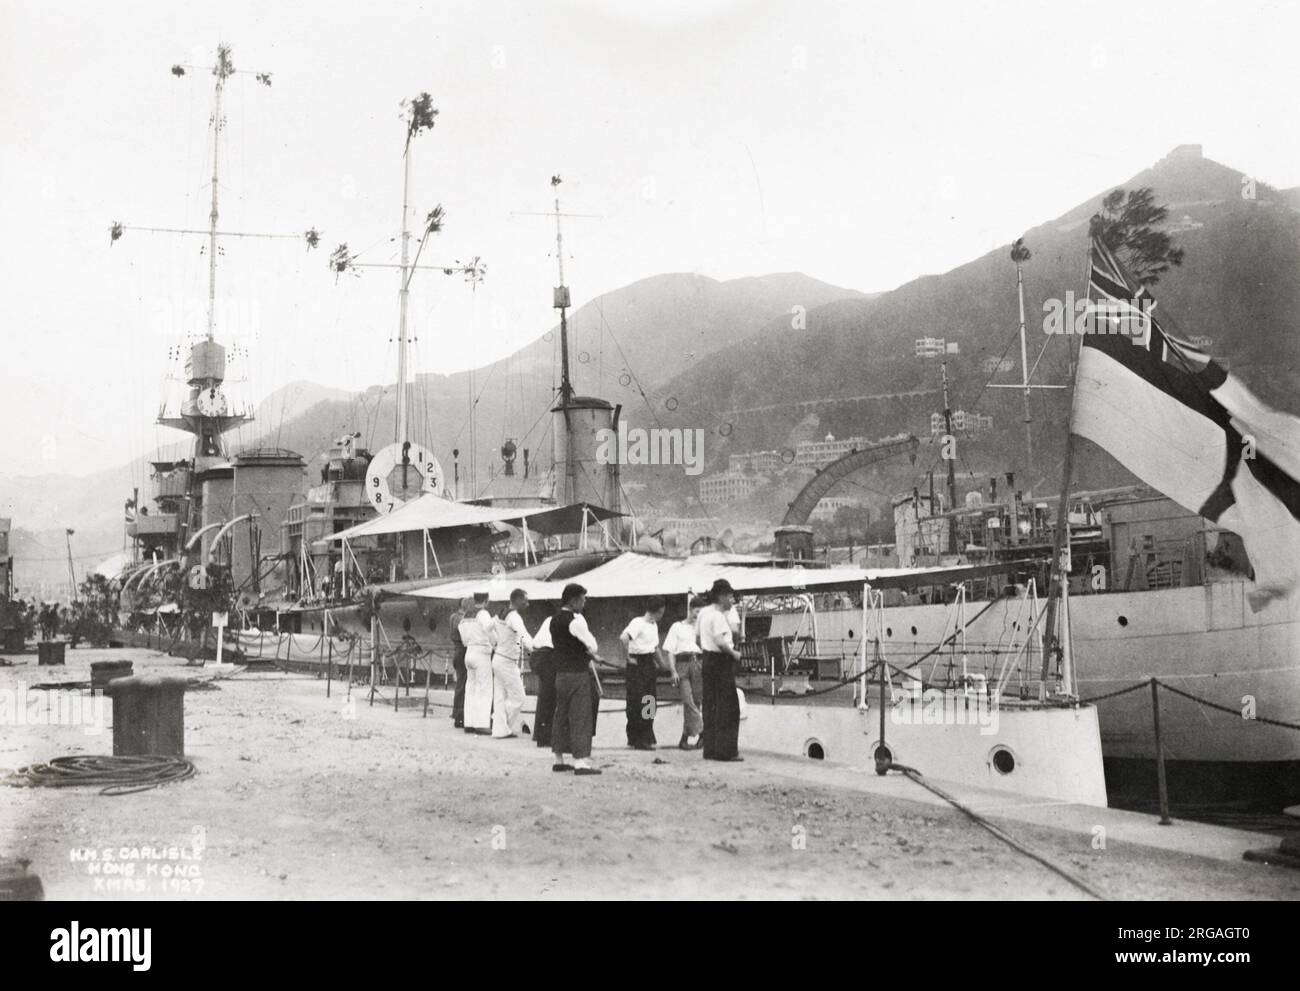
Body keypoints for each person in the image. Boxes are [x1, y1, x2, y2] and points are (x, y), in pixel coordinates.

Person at [550, 583, 602, 776]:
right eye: (582, 599)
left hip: (561, 674)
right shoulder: (576, 621)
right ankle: (581, 762)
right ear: (573, 600)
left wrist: (586, 652)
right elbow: (593, 645)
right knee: (581, 716)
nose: (584, 602)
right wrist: (590, 652)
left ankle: (559, 759)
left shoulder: (554, 620)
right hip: (577, 674)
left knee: (561, 715)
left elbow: (569, 645)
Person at [698, 579, 743, 762]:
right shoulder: (717, 616)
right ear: (722, 596)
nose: (732, 601)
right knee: (728, 708)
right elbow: (720, 641)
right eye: (730, 596)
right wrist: (734, 654)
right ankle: (726, 751)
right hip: (720, 661)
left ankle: (710, 749)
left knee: (710, 706)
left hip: (707, 660)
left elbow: (698, 637)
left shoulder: (704, 614)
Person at [620, 596, 665, 750]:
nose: (661, 617)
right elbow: (624, 638)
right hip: (636, 663)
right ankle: (636, 738)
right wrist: (628, 657)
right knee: (636, 700)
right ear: (655, 612)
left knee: (650, 700)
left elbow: (655, 648)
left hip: (648, 662)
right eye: (660, 613)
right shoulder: (638, 623)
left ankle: (647, 734)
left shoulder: (654, 626)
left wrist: (664, 666)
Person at [664, 595, 706, 750]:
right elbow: (669, 651)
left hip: (698, 664)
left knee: (696, 702)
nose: (697, 615)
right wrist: (673, 671)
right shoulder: (677, 626)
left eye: (701, 613)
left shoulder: (701, 628)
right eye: (696, 611)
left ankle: (684, 739)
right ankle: (704, 732)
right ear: (689, 610)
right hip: (682, 664)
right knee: (688, 701)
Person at [490, 589, 533, 739]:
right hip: (507, 661)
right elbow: (523, 635)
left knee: (500, 696)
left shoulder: (499, 613)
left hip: (498, 657)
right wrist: (534, 648)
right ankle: (499, 723)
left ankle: (499, 730)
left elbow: (488, 628)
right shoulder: (514, 617)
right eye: (525, 601)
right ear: (517, 600)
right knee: (519, 697)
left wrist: (496, 642)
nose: (527, 604)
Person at [458, 591, 496, 735]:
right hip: (481, 653)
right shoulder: (483, 613)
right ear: (486, 600)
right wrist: (495, 642)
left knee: (470, 688)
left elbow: (462, 637)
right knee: (484, 689)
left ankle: (469, 723)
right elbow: (489, 628)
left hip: (469, 651)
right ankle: (481, 724)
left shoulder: (466, 615)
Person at [530, 615, 555, 748]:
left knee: (544, 696)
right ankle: (545, 737)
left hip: (537, 655)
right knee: (550, 697)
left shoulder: (549, 619)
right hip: (548, 656)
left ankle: (540, 734)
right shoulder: (570, 620)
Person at [448, 596, 471, 728]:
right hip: (463, 650)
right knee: (463, 683)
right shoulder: (462, 619)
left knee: (460, 684)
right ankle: (459, 713)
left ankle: (456, 711)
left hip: (457, 650)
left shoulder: (452, 617)